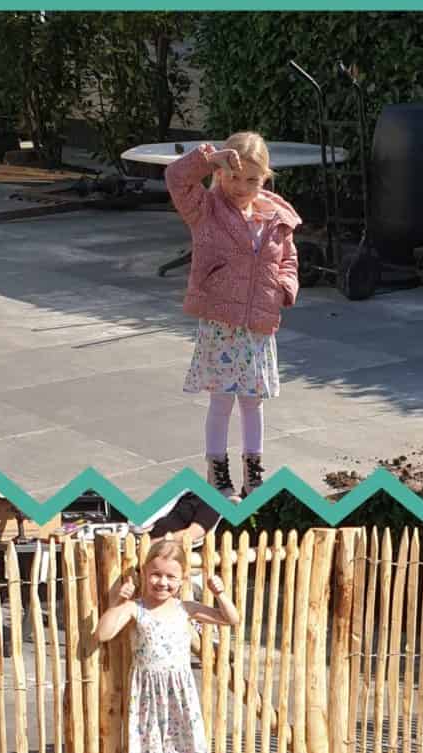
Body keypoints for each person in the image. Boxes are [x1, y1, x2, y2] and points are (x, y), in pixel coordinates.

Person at [166, 132, 301, 500]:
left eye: (252, 180)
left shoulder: (276, 216)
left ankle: (254, 470)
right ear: (222, 173)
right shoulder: (205, 209)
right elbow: (176, 177)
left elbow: (287, 258)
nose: (242, 187)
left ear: (265, 178)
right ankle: (217, 470)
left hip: (258, 326)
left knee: (253, 400)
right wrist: (210, 158)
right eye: (234, 177)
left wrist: (285, 287)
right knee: (222, 399)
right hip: (221, 325)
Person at [95, 539, 239, 753]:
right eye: (156, 574)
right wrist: (118, 602)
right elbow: (103, 633)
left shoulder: (186, 609)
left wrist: (220, 593)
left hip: (178, 694)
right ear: (144, 573)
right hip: (147, 694)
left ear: (183, 578)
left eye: (171, 576)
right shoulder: (136, 609)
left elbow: (231, 619)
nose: (163, 582)